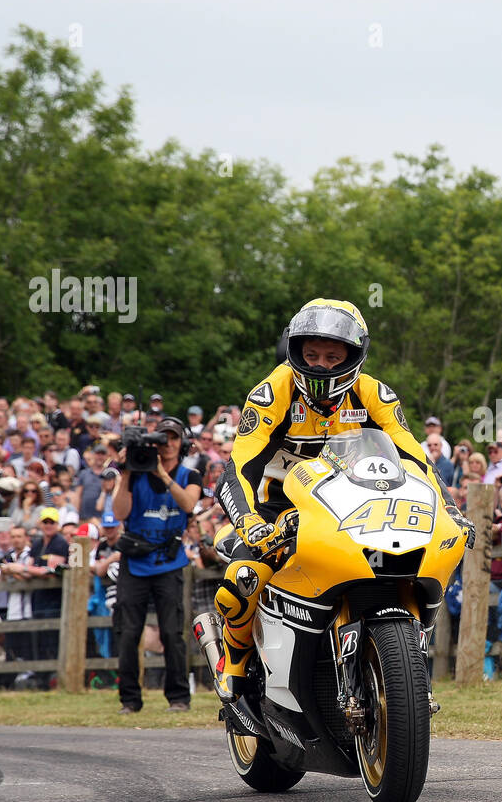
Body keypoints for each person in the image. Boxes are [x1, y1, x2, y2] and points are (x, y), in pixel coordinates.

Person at [211, 299, 469, 703]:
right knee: (241, 580)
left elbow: (414, 455)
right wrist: (249, 523)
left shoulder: (375, 394)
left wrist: (450, 508)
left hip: (350, 503)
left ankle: (404, 661)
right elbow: (237, 464)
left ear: (354, 355)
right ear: (295, 351)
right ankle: (236, 659)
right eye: (311, 354)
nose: (321, 365)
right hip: (277, 509)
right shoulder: (270, 393)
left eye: (333, 356)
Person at [111, 416, 201, 713]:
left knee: (172, 633)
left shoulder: (190, 475)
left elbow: (188, 505)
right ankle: (129, 700)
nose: (168, 444)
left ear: (182, 443)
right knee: (128, 633)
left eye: (174, 438)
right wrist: (124, 473)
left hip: (169, 562)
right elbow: (120, 512)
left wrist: (162, 474)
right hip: (135, 562)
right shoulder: (134, 472)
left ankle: (178, 698)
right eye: (163, 438)